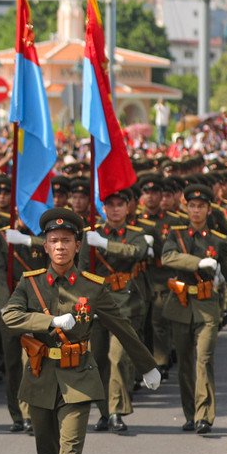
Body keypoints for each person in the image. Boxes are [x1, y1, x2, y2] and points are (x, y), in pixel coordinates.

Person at [1, 207, 162, 454]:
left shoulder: (92, 286)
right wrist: (48, 320)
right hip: (41, 378)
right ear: (45, 246)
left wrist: (147, 365)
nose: (60, 247)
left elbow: (121, 326)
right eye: (54, 241)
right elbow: (10, 316)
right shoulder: (30, 283)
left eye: (67, 241)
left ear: (77, 246)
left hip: (78, 380)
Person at [157, 182, 227, 434]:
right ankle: (190, 413)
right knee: (185, 362)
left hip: (208, 307)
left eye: (201, 206)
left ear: (209, 209)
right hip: (180, 304)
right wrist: (199, 262)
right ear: (186, 208)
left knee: (204, 359)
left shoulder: (218, 241)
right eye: (192, 206)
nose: (196, 211)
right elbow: (168, 258)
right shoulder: (176, 235)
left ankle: (204, 415)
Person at [80, 185, 156, 432]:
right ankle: (104, 411)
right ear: (103, 208)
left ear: (127, 208)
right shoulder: (89, 234)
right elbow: (81, 271)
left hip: (125, 304)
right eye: (110, 205)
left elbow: (135, 252)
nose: (115, 209)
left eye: (120, 205)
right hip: (97, 306)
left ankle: (116, 411)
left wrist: (104, 243)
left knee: (117, 358)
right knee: (99, 359)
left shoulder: (135, 233)